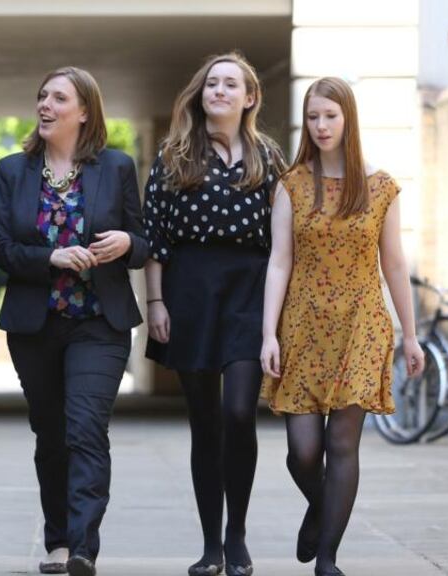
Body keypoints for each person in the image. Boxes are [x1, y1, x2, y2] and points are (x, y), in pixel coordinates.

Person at [259, 77, 424, 576]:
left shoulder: (380, 187)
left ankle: (327, 557)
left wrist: (411, 334)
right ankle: (321, 505)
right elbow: (279, 263)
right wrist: (268, 333)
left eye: (330, 115)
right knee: (302, 453)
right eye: (313, 117)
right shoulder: (292, 184)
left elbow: (394, 264)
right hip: (303, 327)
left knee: (341, 445)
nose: (321, 125)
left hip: (362, 324)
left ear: (347, 118)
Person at [0, 67, 147, 576]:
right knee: (51, 435)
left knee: (85, 428)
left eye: (59, 98)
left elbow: (144, 244)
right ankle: (57, 539)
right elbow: (1, 250)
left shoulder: (116, 167)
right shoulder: (13, 171)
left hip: (99, 323)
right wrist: (50, 259)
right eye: (41, 96)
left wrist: (125, 243)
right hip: (35, 326)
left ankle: (82, 547)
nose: (45, 105)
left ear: (84, 111)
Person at [142, 52, 284, 576]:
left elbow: (287, 240)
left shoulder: (269, 156)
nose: (219, 91)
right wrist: (156, 302)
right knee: (204, 422)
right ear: (201, 95)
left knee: (239, 413)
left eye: (231, 84)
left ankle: (238, 534)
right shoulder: (174, 153)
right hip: (191, 292)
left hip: (250, 289)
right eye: (212, 84)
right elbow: (155, 237)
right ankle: (210, 545)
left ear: (250, 97)